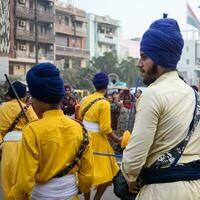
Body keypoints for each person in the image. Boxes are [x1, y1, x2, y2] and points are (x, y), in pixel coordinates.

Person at [121, 18, 200, 200]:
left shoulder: (152, 94)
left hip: (162, 191)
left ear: (160, 58)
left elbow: (134, 159)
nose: (139, 64)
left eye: (144, 57)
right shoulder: (194, 96)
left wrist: (130, 177)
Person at [8, 63, 94, 199]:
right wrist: (73, 190)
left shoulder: (32, 131)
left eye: (32, 97)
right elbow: (88, 179)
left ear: (40, 99)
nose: (31, 101)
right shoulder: (81, 129)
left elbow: (24, 184)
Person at [79, 72, 121, 200]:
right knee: (108, 171)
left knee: (87, 171)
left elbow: (80, 116)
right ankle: (96, 198)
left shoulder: (86, 99)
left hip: (84, 138)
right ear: (107, 86)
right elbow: (105, 128)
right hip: (98, 140)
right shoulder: (104, 103)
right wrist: (118, 140)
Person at [0, 81, 38, 199]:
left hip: (7, 147)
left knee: (8, 178)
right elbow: (36, 127)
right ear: (23, 95)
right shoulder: (27, 108)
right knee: (24, 179)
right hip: (25, 145)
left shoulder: (2, 108)